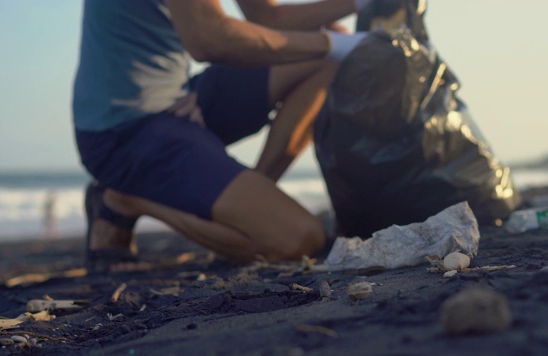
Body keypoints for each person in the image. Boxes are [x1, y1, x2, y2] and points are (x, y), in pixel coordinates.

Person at [73, 0, 372, 273]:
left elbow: (266, 16)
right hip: (124, 132)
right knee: (298, 239)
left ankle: (258, 194)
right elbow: (208, 38)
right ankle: (123, 198)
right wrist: (335, 44)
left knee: (329, 55)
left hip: (177, 101)